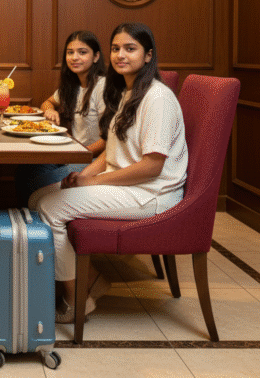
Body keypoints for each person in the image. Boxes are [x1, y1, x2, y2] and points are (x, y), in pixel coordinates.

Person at [29, 22, 188, 323]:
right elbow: (111, 151)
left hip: (151, 193)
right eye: (116, 48)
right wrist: (84, 176)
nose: (120, 55)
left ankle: (76, 299)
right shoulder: (127, 92)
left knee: (50, 208)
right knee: (37, 198)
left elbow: (152, 166)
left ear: (148, 55)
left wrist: (93, 181)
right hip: (128, 185)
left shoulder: (157, 98)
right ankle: (90, 278)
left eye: (130, 48)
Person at [14, 30, 106, 206]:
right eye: (70, 52)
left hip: (95, 160)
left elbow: (109, 140)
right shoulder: (72, 86)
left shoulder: (103, 87)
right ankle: (28, 218)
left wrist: (78, 154)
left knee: (38, 183)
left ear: (96, 57)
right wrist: (50, 110)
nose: (74, 57)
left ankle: (38, 216)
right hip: (73, 154)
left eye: (82, 52)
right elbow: (47, 102)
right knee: (24, 171)